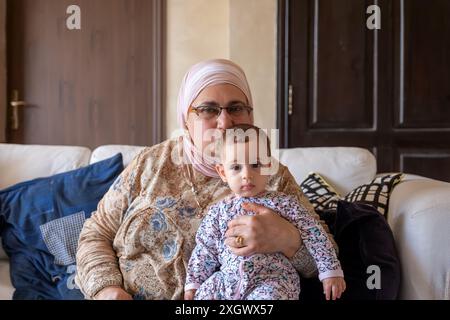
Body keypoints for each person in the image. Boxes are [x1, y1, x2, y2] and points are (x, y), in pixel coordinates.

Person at [75, 59, 338, 300]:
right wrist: (106, 289)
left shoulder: (271, 174)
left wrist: (287, 240)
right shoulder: (150, 163)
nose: (225, 122)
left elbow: (325, 258)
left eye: (236, 108)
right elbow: (96, 232)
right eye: (208, 110)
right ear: (186, 119)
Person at [184, 124, 345, 300]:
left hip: (272, 280)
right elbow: (204, 250)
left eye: (255, 164)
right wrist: (193, 285)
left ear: (268, 166)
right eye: (236, 167)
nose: (247, 174)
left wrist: (330, 271)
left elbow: (313, 233)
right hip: (227, 280)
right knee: (205, 294)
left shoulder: (284, 203)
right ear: (223, 172)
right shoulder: (218, 212)